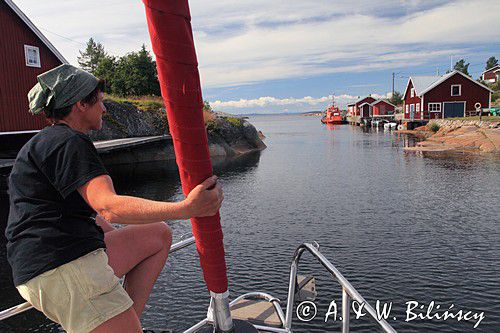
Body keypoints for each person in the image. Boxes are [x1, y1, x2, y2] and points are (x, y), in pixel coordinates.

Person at [5, 64, 223, 333]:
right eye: (99, 102)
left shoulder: (45, 143)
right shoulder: (70, 142)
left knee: (157, 235)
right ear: (80, 105)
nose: (105, 110)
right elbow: (108, 206)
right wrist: (188, 208)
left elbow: (88, 213)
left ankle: (125, 321)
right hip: (61, 266)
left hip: (47, 264)